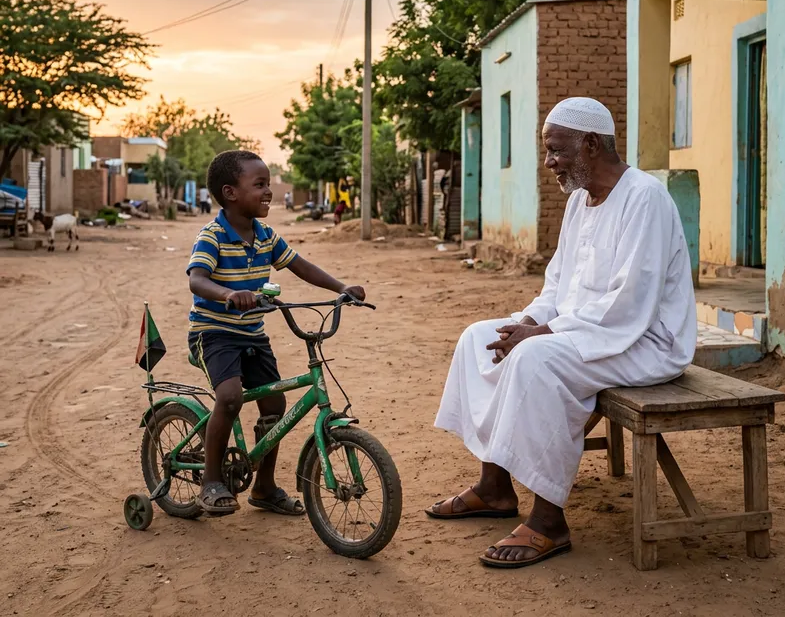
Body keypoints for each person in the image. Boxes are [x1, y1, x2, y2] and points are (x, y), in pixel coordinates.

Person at [427, 97, 696, 569]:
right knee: (479, 338)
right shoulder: (579, 202)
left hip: (644, 341)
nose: (549, 162)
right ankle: (494, 487)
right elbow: (558, 284)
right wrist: (528, 323)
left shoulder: (645, 198)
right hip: (582, 332)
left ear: (590, 144)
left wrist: (542, 335)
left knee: (536, 359)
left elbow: (629, 302)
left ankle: (549, 520)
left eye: (556, 151)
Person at [187, 150, 366, 517]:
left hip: (251, 334)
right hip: (214, 334)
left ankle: (264, 487)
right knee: (231, 397)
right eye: (260, 185)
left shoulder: (266, 236)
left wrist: (341, 287)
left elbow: (300, 266)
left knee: (275, 405)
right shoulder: (213, 235)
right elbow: (197, 279)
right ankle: (210, 480)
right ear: (230, 193)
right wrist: (228, 294)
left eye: (268, 183)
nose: (269, 191)